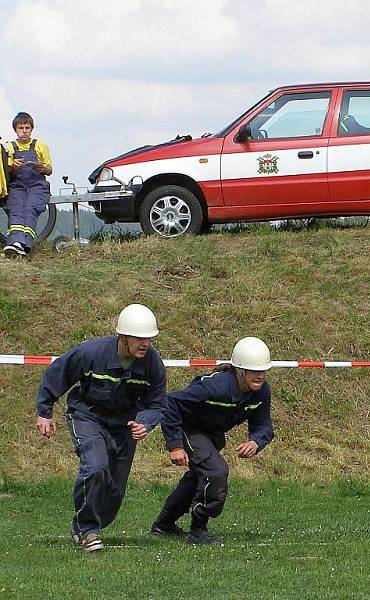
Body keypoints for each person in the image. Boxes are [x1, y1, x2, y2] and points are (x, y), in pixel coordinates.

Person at [35, 304, 166, 553]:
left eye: (149, 338)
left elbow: (157, 403)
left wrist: (145, 422)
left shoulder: (152, 364)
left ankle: (85, 525)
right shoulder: (90, 353)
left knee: (114, 490)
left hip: (125, 424)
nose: (145, 344)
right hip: (87, 415)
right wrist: (45, 411)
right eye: (139, 338)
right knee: (95, 466)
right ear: (123, 337)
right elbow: (57, 373)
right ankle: (87, 530)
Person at [151, 337, 274, 546]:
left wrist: (255, 442)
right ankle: (198, 530)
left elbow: (264, 425)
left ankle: (164, 524)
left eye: (263, 371)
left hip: (211, 436)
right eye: (254, 371)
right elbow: (171, 403)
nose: (260, 376)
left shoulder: (261, 392)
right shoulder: (214, 388)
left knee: (197, 477)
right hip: (189, 430)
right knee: (216, 472)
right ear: (240, 371)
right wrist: (175, 445)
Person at [3, 112, 53, 258]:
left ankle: (23, 244)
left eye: (27, 127)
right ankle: (16, 244)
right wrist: (13, 167)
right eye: (21, 128)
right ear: (15, 130)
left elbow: (50, 170)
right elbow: (8, 175)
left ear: (32, 128)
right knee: (16, 209)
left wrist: (42, 168)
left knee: (31, 208)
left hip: (37, 185)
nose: (24, 131)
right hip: (17, 185)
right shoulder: (9, 148)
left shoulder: (40, 145)